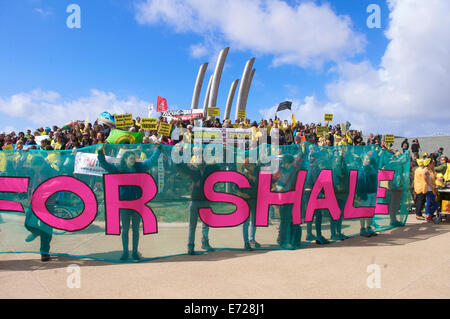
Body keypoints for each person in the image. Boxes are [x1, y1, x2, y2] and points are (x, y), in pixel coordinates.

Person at [97, 143, 161, 260]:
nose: (133, 160)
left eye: (134, 158)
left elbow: (151, 161)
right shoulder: (118, 169)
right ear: (125, 159)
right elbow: (105, 164)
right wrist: (100, 152)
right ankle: (126, 252)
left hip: (138, 203)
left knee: (136, 230)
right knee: (125, 229)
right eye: (131, 158)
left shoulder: (140, 167)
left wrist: (158, 149)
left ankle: (135, 252)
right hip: (125, 204)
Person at [357, 153, 379, 237]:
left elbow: (377, 162)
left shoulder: (372, 168)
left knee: (370, 212)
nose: (368, 160)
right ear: (363, 160)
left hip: (373, 193)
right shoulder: (361, 169)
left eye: (368, 159)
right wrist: (359, 195)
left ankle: (368, 227)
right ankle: (362, 229)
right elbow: (359, 183)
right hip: (364, 194)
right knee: (363, 212)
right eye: (366, 159)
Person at [423, 157, 438, 222]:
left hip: (431, 189)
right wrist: (433, 186)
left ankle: (428, 215)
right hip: (429, 190)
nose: (433, 164)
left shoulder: (431, 170)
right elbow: (426, 181)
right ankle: (429, 215)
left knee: (429, 203)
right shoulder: (426, 171)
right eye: (432, 163)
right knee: (435, 204)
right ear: (429, 164)